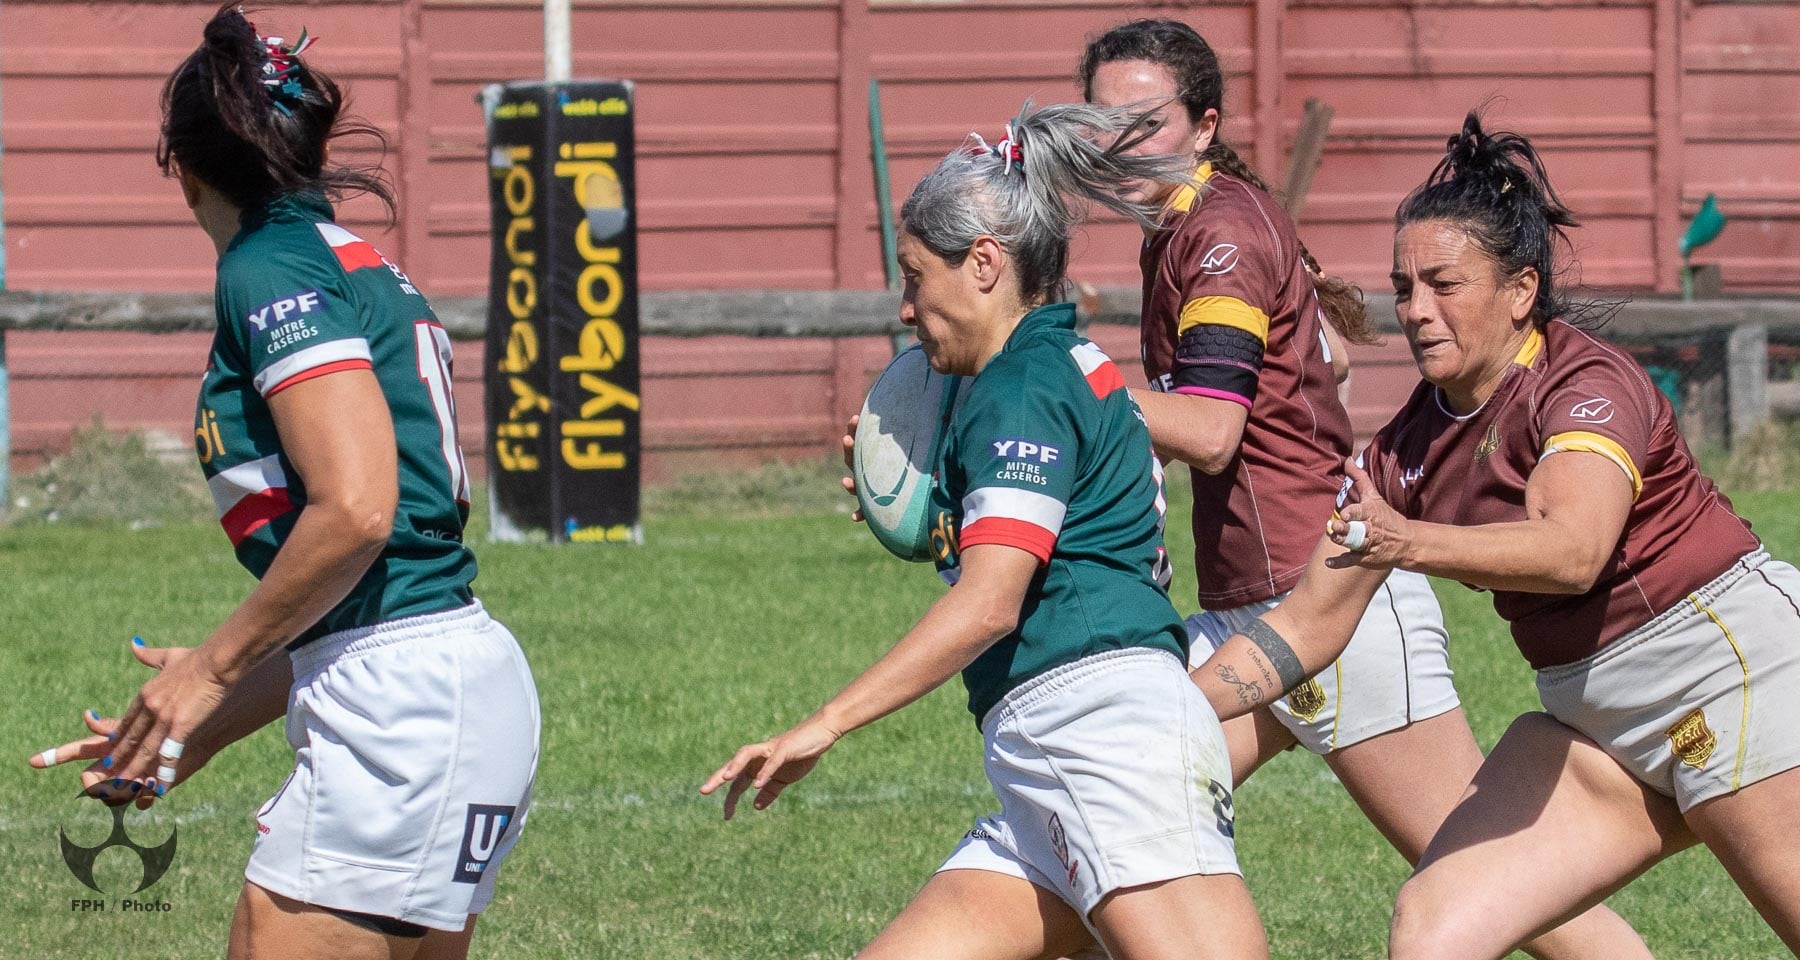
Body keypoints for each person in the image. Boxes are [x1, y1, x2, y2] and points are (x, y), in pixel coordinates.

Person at [1078, 21, 1648, 958]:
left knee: (1517, 901)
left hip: (1335, 607)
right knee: (1113, 825)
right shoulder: (1197, 224)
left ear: (1205, 124)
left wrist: (1067, 390)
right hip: (1257, 607)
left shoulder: (1217, 232)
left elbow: (1214, 429)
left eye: (1146, 120)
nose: (1119, 142)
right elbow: (1328, 360)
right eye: (1100, 121)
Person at [1193, 109, 1800, 958]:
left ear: (1520, 292)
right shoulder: (1404, 448)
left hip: (1734, 679)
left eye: (1445, 284)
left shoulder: (1585, 382)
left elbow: (1572, 549)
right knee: (1435, 926)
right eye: (1404, 289)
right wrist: (1172, 710)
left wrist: (1408, 542)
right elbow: (1308, 622)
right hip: (1598, 726)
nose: (1416, 310)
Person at [26, 6, 540, 957]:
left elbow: (357, 512)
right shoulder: (353, 261)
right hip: (432, 685)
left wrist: (208, 671)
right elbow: (363, 603)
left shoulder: (267, 268)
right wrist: (193, 720)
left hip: (405, 711)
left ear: (179, 166)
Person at [704, 101, 1269, 960]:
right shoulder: (1065, 365)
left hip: (1100, 737)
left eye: (913, 277)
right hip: (1055, 748)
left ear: (982, 263)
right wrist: (939, 515)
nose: (903, 308)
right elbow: (1052, 536)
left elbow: (991, 603)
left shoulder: (1022, 388)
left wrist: (825, 721)